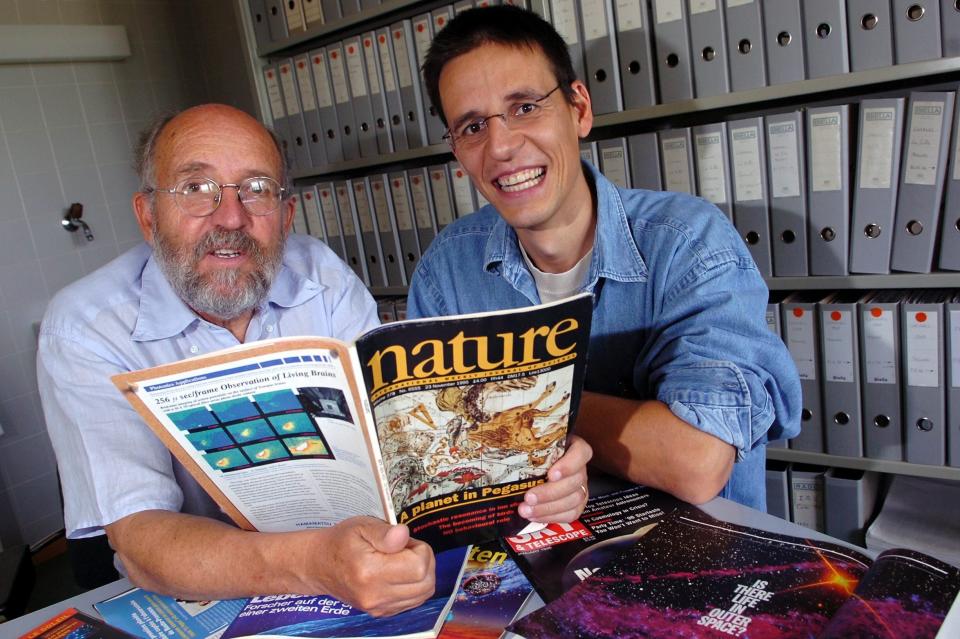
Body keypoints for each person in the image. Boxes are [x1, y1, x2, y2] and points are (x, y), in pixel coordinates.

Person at [36, 104, 587, 615]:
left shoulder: (317, 271)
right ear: (149, 214)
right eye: (196, 187)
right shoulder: (85, 324)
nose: (230, 217)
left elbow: (400, 439)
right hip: (202, 590)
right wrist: (313, 564)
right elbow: (138, 543)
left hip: (357, 554)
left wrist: (538, 471)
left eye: (257, 189)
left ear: (287, 210)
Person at [408, 6, 802, 512]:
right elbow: (432, 457)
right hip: (527, 559)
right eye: (472, 126)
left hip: (691, 564)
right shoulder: (446, 272)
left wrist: (514, 406)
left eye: (525, 107)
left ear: (579, 109)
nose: (501, 147)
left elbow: (697, 458)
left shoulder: (689, 243)